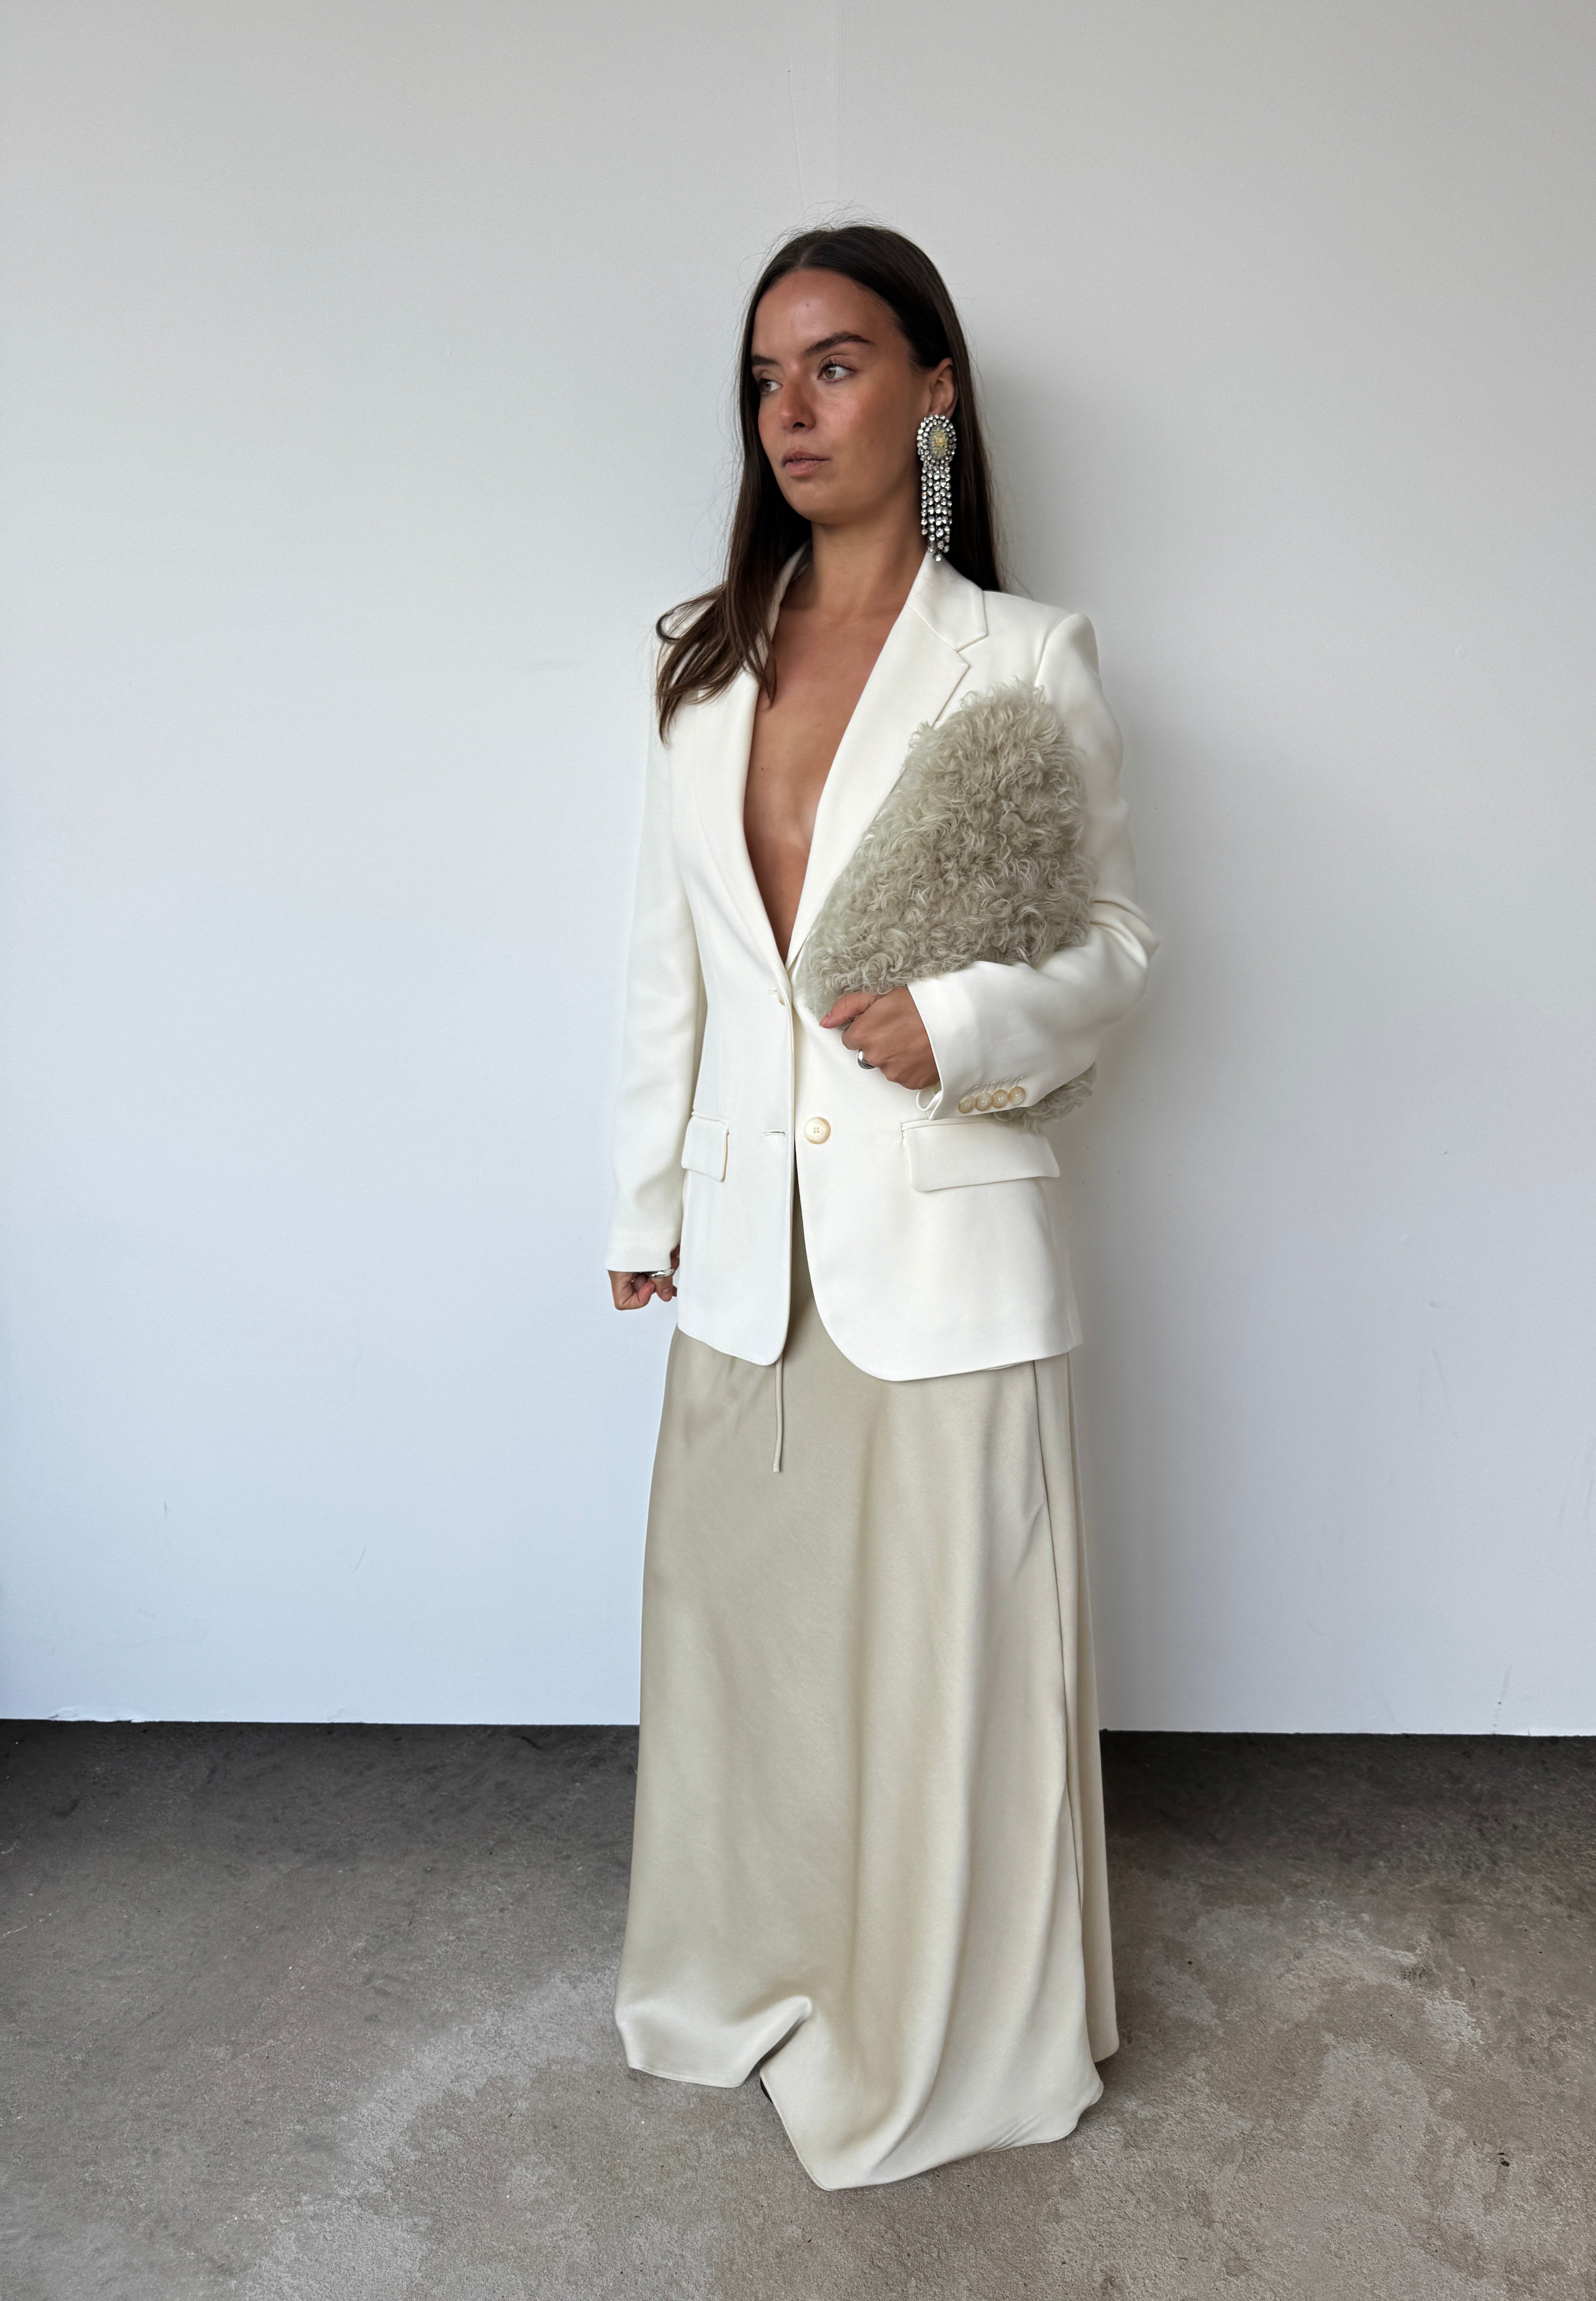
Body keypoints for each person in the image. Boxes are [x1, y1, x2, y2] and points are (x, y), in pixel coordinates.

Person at [604, 223, 1155, 2190]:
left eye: (836, 365)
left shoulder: (1023, 657)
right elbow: (672, 965)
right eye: (766, 379)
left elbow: (1118, 947)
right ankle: (752, 1969)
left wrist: (962, 1020)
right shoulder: (702, 665)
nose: (792, 411)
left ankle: (941, 2023)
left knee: (942, 1666)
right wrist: (645, 1197)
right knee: (747, 1651)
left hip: (944, 1232)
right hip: (753, 1245)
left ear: (934, 392)